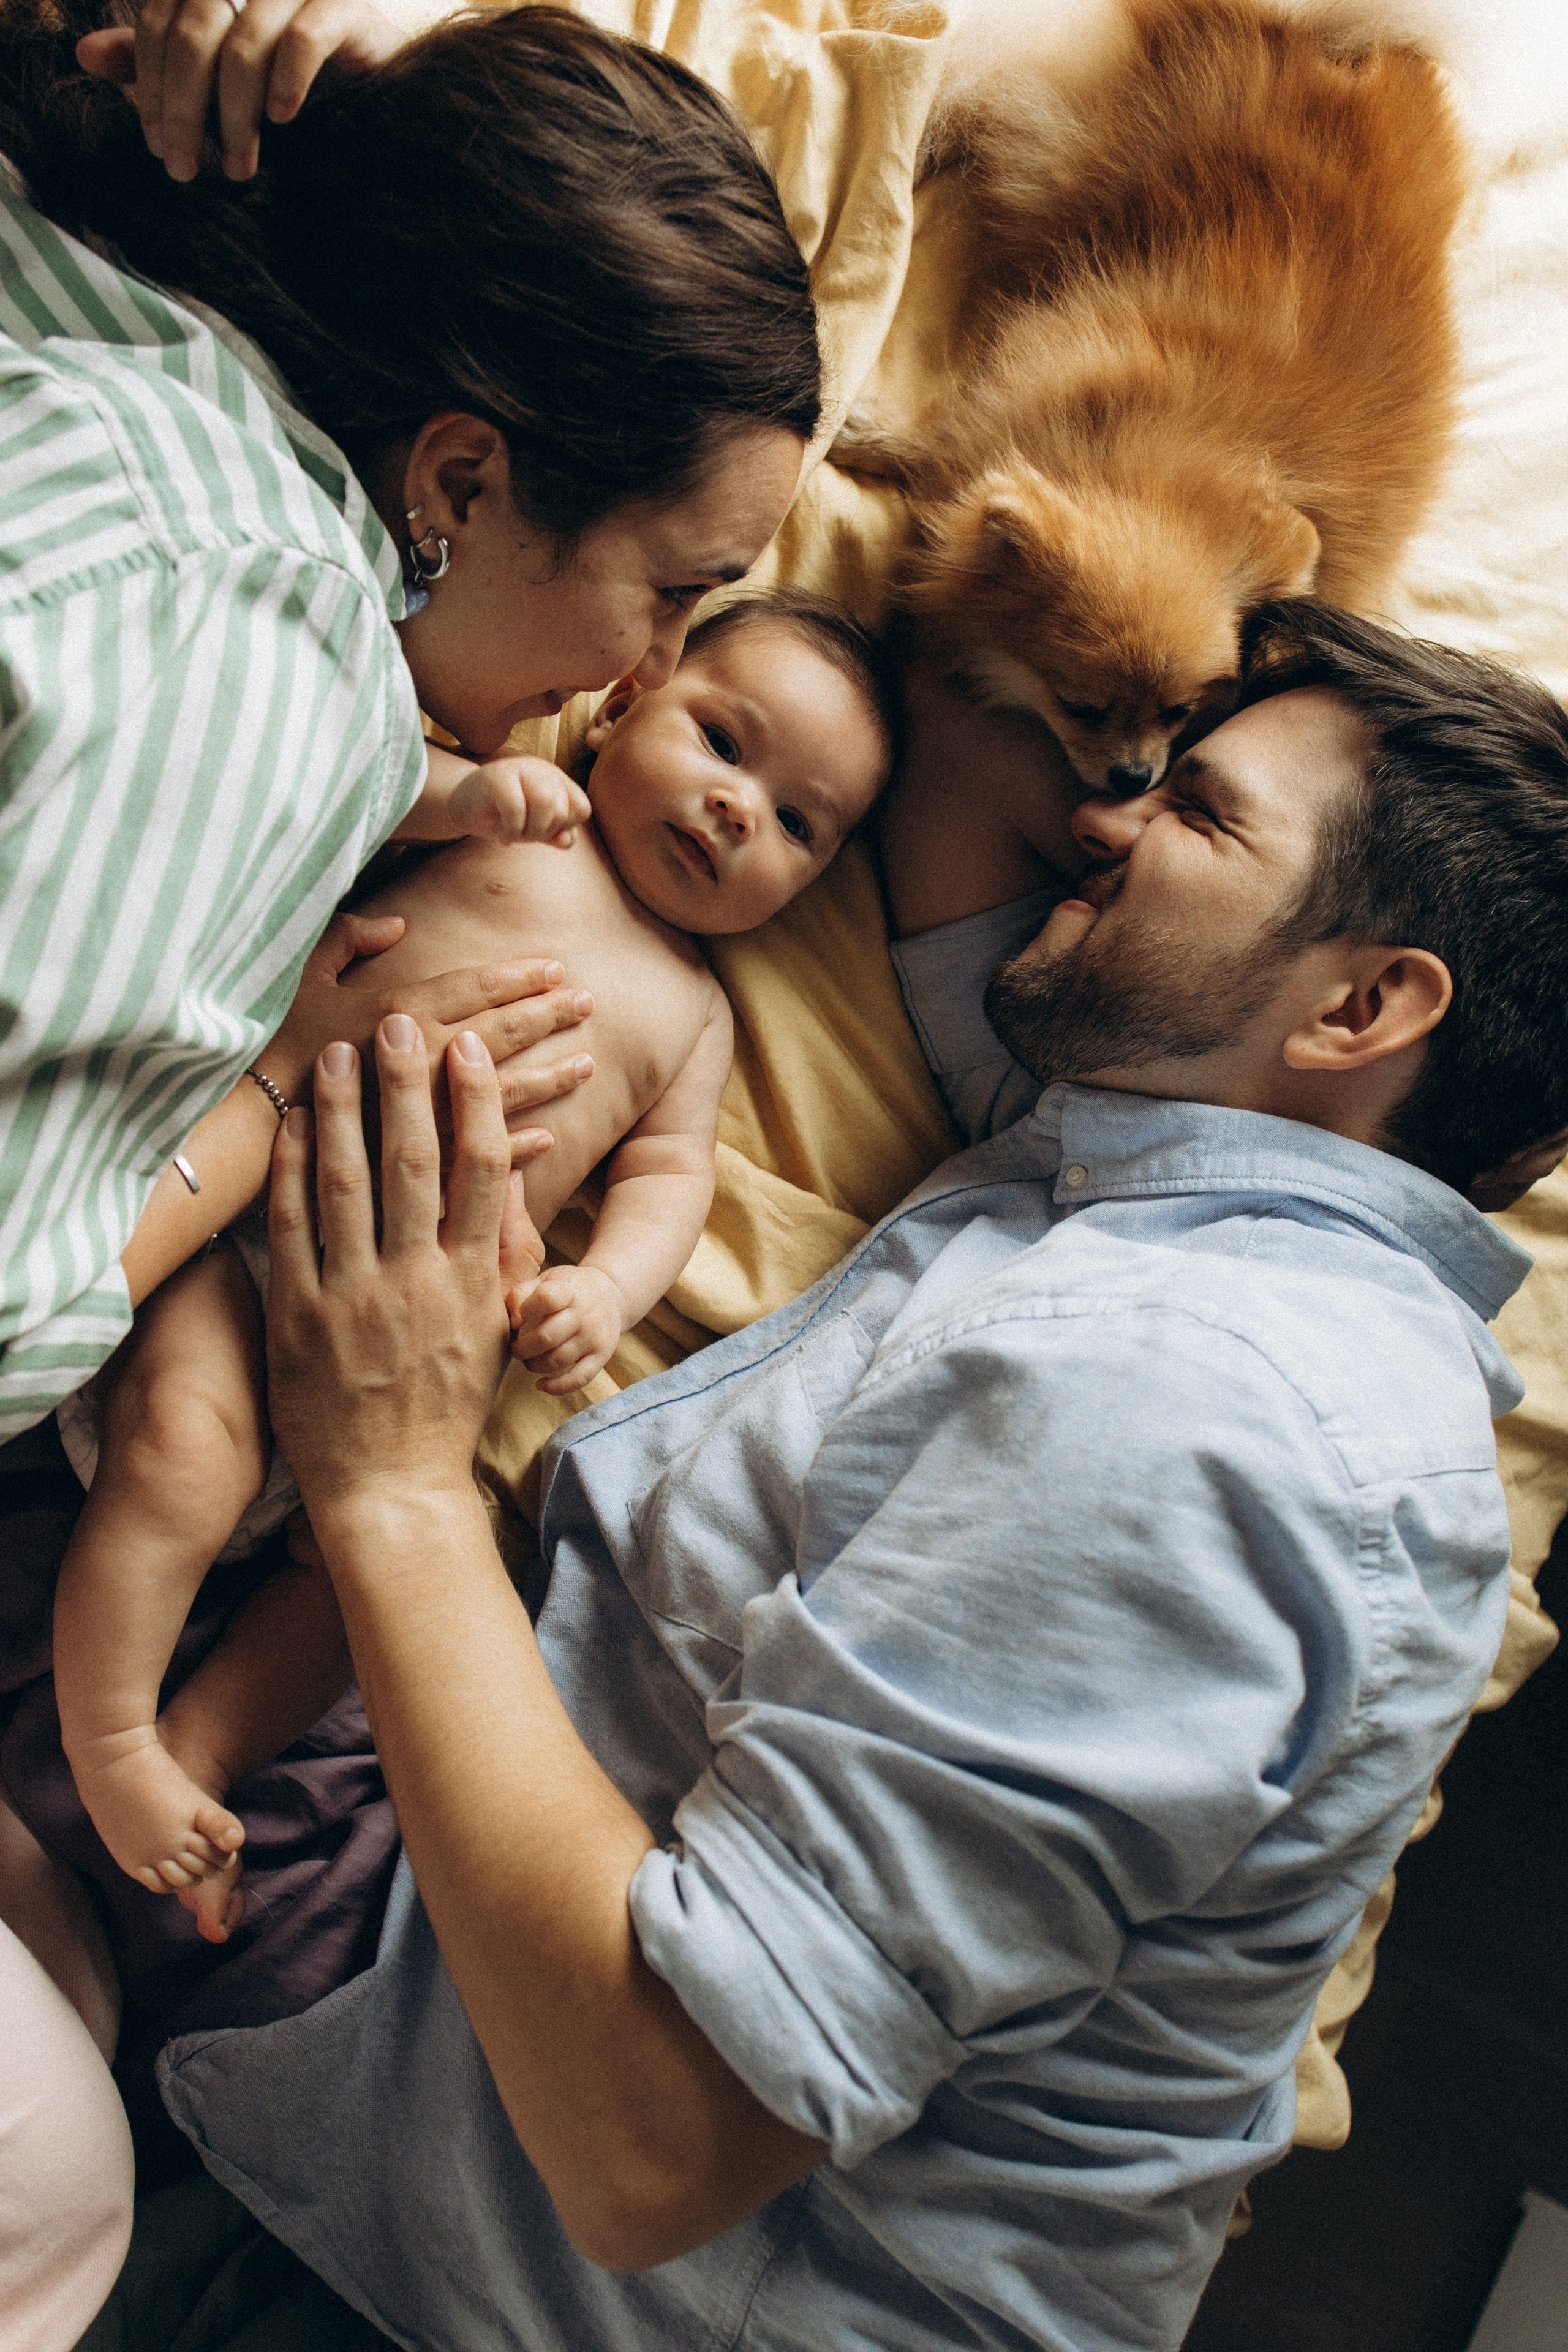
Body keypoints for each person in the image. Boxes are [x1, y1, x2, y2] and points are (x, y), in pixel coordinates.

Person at [156, 601, 1568, 2351]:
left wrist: (394, 1476)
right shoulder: (1130, 1190)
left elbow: (655, 2132)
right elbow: (961, 697)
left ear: (1359, 1006)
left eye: (1195, 812)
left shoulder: (1202, 1407)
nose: (1102, 817)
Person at [0, 1, 824, 2334]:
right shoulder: (274, 672)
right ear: (453, 470)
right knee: (54, 2192)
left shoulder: (85, 307)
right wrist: (268, 1108)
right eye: (674, 594)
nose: (646, 673)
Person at [53, 592, 895, 1942]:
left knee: (354, 1601)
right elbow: (353, 802)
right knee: (186, 1452)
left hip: (411, 1384)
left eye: (801, 824)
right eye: (724, 743)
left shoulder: (695, 1018)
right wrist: (461, 796)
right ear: (621, 706)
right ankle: (108, 1739)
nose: (740, 810)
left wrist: (604, 1289)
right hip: (245, 1240)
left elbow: (668, 1183)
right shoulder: (518, 815)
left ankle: (198, 1761)